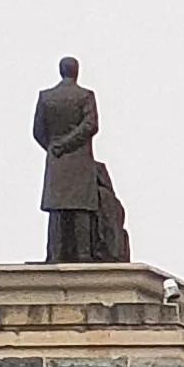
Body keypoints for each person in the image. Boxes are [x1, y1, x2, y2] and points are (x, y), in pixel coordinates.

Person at [33, 57, 127, 264]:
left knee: (57, 209)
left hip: (56, 158)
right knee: (81, 207)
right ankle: (83, 254)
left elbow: (38, 131)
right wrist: (69, 144)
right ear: (77, 72)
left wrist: (55, 147)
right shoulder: (85, 96)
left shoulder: (46, 97)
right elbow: (91, 125)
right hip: (80, 158)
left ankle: (54, 254)